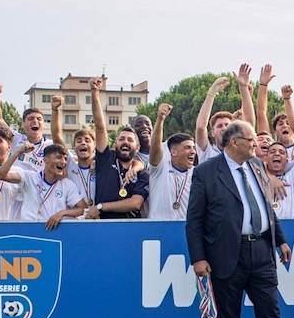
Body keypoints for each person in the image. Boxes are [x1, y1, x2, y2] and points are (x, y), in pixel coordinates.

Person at [185, 120, 294, 318]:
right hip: (226, 253)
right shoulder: (206, 172)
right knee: (229, 312)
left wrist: (280, 240)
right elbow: (194, 220)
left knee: (270, 309)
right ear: (234, 142)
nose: (257, 145)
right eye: (251, 140)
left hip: (262, 251)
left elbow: (267, 208)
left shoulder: (257, 166)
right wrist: (198, 258)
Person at [83, 77, 149, 220]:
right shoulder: (105, 160)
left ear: (137, 148)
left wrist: (101, 207)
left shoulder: (142, 174)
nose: (125, 142)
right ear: (116, 144)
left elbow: (135, 203)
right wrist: (94, 92)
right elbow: (100, 127)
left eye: (130, 140)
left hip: (130, 229)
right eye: (121, 139)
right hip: (103, 226)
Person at [148, 103, 196, 220]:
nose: (193, 151)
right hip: (158, 230)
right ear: (173, 152)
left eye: (193, 147)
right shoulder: (161, 168)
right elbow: (154, 149)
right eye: (187, 147)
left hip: (184, 230)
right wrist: (160, 120)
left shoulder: (198, 174)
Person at [50, 96, 96, 207]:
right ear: (74, 148)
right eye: (79, 141)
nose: (83, 143)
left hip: (97, 218)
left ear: (94, 146)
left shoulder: (100, 166)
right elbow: (56, 137)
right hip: (74, 219)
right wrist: (55, 110)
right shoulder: (70, 165)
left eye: (87, 140)